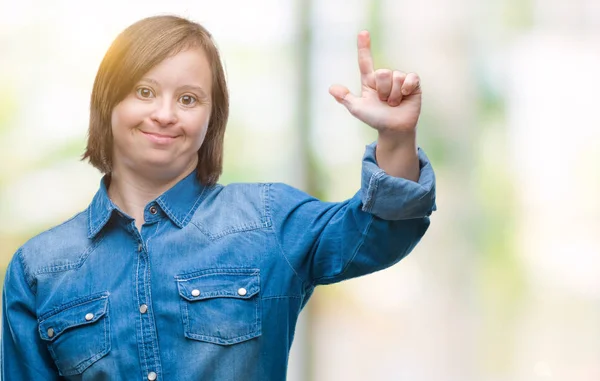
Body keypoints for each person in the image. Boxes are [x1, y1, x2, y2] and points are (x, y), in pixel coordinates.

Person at [1, 15, 436, 381]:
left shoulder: (268, 221)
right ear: (108, 102)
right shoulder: (39, 269)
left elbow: (379, 230)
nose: (165, 114)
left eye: (188, 99)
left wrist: (396, 139)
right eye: (145, 91)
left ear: (212, 118)